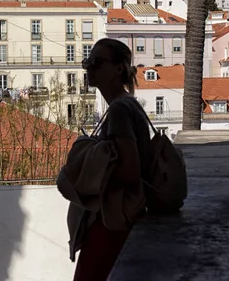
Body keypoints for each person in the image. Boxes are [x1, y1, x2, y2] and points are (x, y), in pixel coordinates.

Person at [72, 38, 152, 281]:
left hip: (112, 221)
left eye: (96, 62)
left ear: (119, 68)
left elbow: (130, 170)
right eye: (87, 61)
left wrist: (90, 177)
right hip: (119, 218)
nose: (89, 68)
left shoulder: (119, 109)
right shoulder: (126, 104)